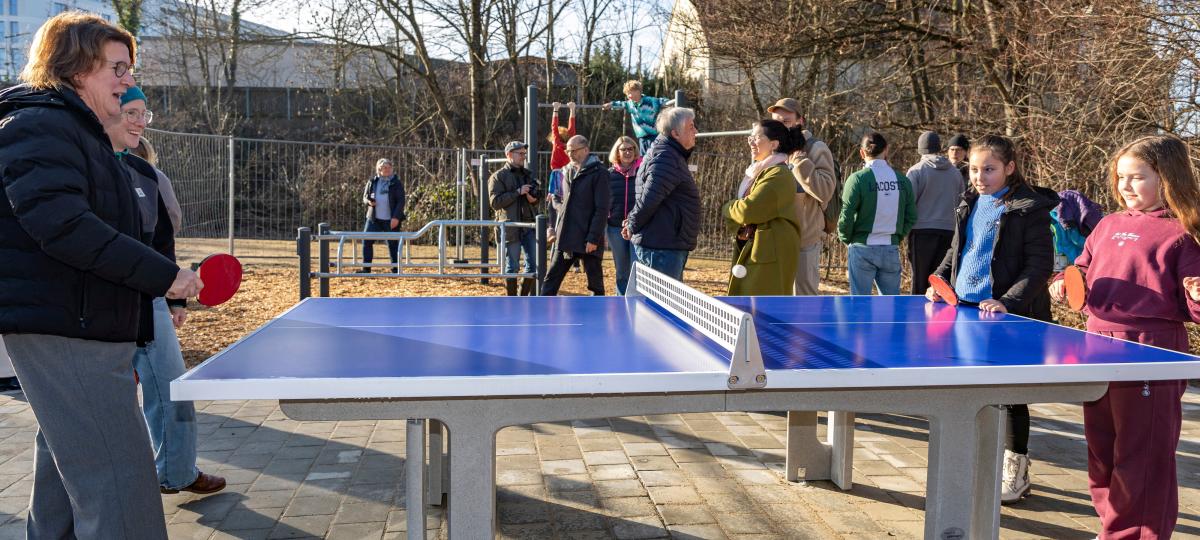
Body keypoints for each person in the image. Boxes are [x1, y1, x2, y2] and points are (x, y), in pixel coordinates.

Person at [0, 12, 202, 539]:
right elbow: (65, 227)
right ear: (75, 68)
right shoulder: (39, 125)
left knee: (67, 464)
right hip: (69, 327)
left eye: (129, 69)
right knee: (120, 481)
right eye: (117, 68)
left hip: (83, 321)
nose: (128, 80)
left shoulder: (78, 132)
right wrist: (166, 277)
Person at [1048, 135, 1200, 537]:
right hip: (1096, 344)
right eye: (1120, 177)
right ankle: (1112, 528)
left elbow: (1195, 308)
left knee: (1141, 455)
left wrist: (1197, 296)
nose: (1125, 186)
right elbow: (1080, 270)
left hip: (1150, 350)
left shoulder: (1183, 234)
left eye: (1137, 177)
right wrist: (1063, 284)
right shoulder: (1108, 224)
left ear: (1166, 178)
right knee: (1102, 452)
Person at [927, 134, 1058, 505]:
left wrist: (1006, 301)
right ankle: (975, 459)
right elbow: (958, 251)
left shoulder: (1027, 209)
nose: (980, 176)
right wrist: (938, 281)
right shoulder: (969, 201)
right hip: (964, 311)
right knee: (968, 390)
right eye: (974, 169)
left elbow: (1038, 267)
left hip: (1006, 317)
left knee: (1010, 394)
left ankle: (1016, 469)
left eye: (989, 169)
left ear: (1009, 168)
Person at [111, 88, 226, 497]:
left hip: (149, 302)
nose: (141, 121)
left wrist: (173, 298)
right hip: (101, 308)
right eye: (131, 112)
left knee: (173, 389)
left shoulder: (146, 175)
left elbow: (162, 243)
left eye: (144, 113)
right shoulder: (84, 167)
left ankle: (176, 471)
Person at [721, 120, 802, 295]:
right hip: (759, 249)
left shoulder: (779, 174)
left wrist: (727, 208)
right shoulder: (758, 172)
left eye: (757, 137)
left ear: (774, 144)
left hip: (770, 253)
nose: (750, 141)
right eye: (750, 137)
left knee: (762, 308)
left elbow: (747, 211)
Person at [767, 98, 837, 295]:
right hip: (774, 240)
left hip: (804, 242)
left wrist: (798, 160)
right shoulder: (771, 150)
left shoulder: (816, 148)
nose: (780, 127)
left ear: (800, 121)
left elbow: (825, 190)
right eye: (776, 122)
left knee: (804, 304)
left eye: (786, 122)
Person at [622, 107, 701, 281]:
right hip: (661, 248)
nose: (695, 131)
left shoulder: (669, 154)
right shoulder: (666, 157)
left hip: (665, 244)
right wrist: (632, 224)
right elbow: (650, 198)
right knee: (662, 306)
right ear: (675, 133)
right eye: (691, 127)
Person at [837, 132, 916, 295]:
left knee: (859, 306)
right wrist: (897, 237)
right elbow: (911, 216)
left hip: (862, 248)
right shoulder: (902, 180)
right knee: (889, 307)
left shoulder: (857, 179)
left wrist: (847, 238)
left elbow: (846, 215)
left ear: (862, 152)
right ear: (886, 150)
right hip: (890, 248)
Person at [542, 135, 610, 296]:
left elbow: (602, 208)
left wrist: (593, 238)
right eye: (568, 151)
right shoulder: (566, 171)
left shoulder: (600, 173)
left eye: (574, 150)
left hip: (588, 238)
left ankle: (597, 316)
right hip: (567, 236)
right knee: (551, 280)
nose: (570, 154)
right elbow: (563, 201)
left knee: (595, 284)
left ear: (586, 150)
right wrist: (556, 206)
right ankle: (541, 312)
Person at [905, 131, 962, 294]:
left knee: (920, 281)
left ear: (920, 149)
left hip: (922, 232)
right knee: (941, 282)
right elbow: (960, 205)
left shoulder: (916, 171)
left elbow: (909, 204)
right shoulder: (955, 173)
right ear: (940, 147)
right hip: (949, 233)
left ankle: (917, 317)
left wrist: (905, 229)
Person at [488, 141, 542, 296]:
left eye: (524, 154)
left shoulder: (528, 174)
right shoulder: (498, 177)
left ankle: (522, 297)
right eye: (520, 154)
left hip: (529, 226)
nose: (523, 157)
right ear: (509, 155)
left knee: (533, 265)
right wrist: (517, 192)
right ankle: (511, 300)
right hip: (510, 227)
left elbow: (537, 196)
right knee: (512, 266)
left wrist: (534, 198)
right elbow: (495, 203)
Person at [606, 136, 641, 295]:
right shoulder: (609, 174)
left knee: (637, 269)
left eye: (630, 149)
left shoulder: (643, 171)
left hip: (638, 228)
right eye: (623, 149)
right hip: (615, 228)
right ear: (617, 152)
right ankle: (621, 300)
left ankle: (638, 302)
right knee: (621, 270)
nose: (627, 152)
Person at [603, 80, 675, 154]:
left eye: (630, 93)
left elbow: (664, 101)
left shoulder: (650, 100)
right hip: (642, 136)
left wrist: (672, 102)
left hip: (654, 134)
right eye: (627, 94)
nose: (628, 96)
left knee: (656, 153)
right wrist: (610, 104)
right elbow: (620, 104)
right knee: (643, 156)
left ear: (638, 91)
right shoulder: (630, 104)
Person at [359, 158, 406, 272]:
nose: (387, 169)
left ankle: (396, 269)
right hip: (373, 218)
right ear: (379, 169)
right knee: (366, 241)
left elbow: (401, 201)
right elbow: (365, 197)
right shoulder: (372, 181)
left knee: (393, 243)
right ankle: (366, 269)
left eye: (389, 167)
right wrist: (369, 202)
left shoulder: (396, 183)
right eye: (385, 167)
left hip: (390, 219)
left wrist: (396, 217)